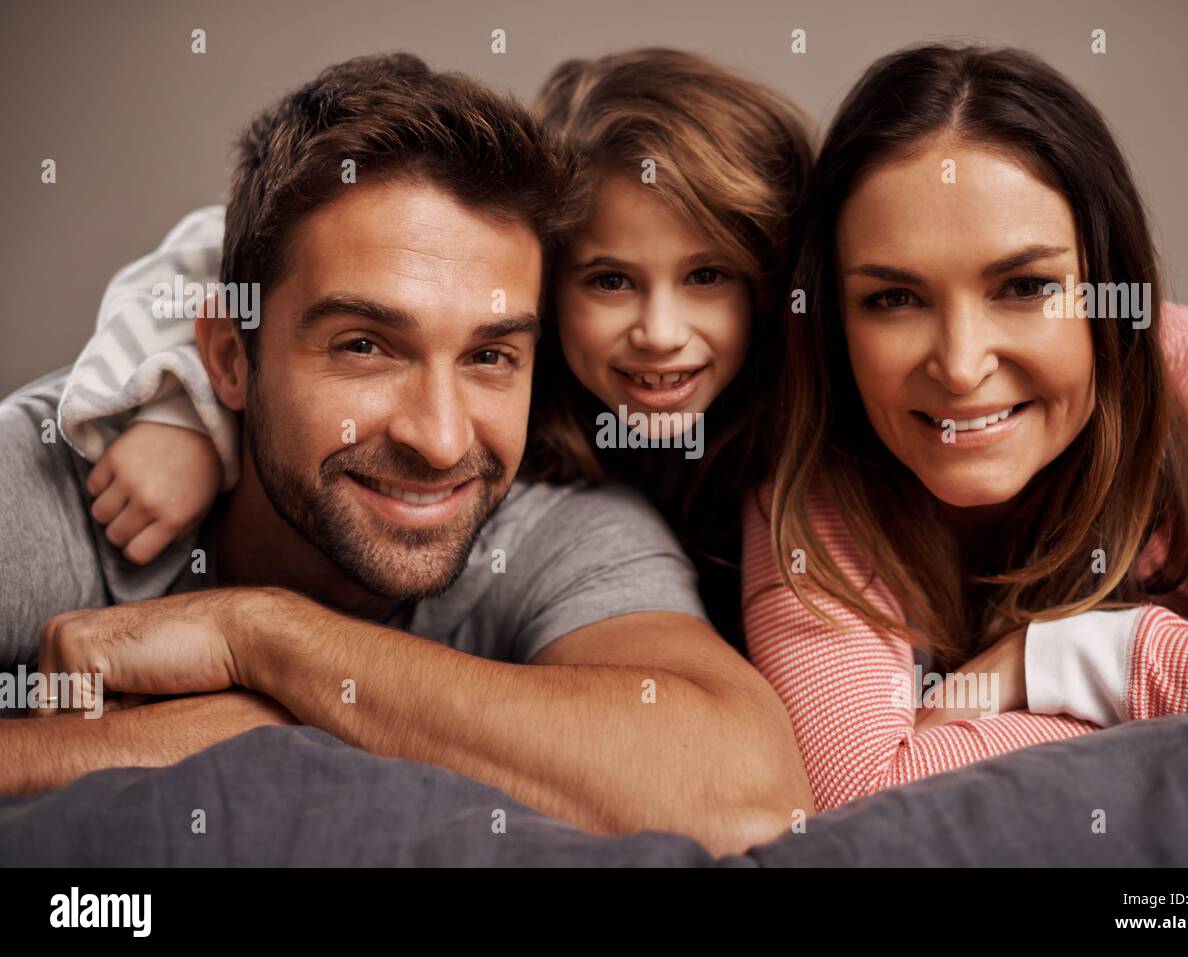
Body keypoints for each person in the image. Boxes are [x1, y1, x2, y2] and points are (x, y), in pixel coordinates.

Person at [0, 53, 813, 855]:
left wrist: (259, 641)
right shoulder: (64, 481)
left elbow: (747, 787)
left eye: (490, 356)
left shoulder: (564, 520)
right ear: (226, 358)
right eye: (364, 345)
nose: (442, 438)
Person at [58, 48, 813, 654]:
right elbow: (224, 250)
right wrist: (182, 405)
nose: (660, 331)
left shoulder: (803, 443)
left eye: (708, 276)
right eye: (610, 280)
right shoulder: (525, 369)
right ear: (544, 285)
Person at [744, 43, 1188, 812]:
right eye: (894, 299)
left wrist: (1080, 658)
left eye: (1025, 286)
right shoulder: (813, 472)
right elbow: (862, 797)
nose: (961, 366)